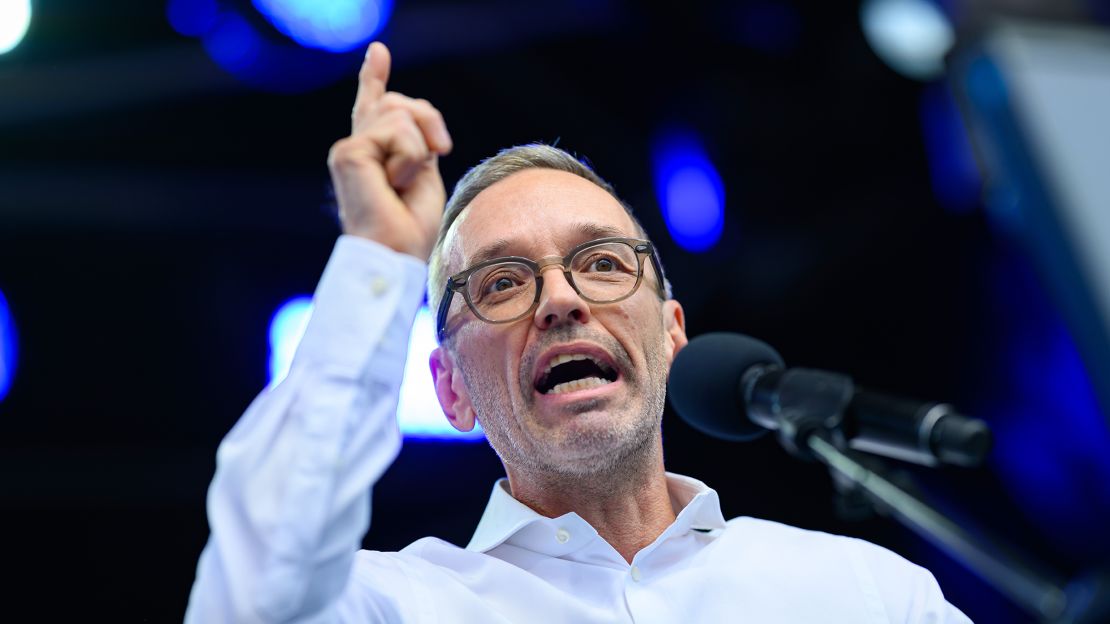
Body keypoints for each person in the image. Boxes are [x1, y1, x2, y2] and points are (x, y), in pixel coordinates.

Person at [185, 42, 971, 623]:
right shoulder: (397, 603)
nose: (559, 300)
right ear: (450, 391)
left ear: (671, 335)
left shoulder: (865, 594)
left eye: (600, 262)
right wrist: (380, 254)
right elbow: (252, 595)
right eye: (501, 282)